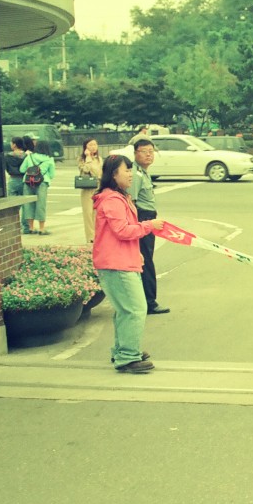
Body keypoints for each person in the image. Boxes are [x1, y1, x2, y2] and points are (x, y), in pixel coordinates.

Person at [93, 154, 165, 373]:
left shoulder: (117, 197)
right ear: (114, 174)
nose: (131, 174)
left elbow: (120, 233)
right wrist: (149, 225)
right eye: (126, 170)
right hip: (116, 264)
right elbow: (122, 230)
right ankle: (127, 356)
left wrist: (137, 253)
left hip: (121, 261)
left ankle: (124, 350)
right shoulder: (113, 201)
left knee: (126, 310)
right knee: (135, 308)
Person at [128, 139, 169, 315]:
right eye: (144, 151)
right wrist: (140, 225)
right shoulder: (136, 175)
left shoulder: (143, 172)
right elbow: (131, 203)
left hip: (148, 217)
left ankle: (144, 300)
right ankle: (149, 302)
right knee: (145, 261)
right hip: (142, 217)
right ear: (136, 153)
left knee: (145, 259)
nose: (149, 155)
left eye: (151, 151)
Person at [20, 137, 55, 235]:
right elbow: (52, 175)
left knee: (28, 204)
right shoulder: (49, 159)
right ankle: (41, 228)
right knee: (41, 205)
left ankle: (31, 227)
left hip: (28, 182)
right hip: (42, 183)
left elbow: (22, 170)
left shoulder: (29, 157)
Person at [78, 138, 102, 243]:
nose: (93, 147)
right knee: (88, 213)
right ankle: (90, 237)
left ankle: (98, 235)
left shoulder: (99, 159)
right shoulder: (81, 159)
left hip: (98, 188)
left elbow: (100, 173)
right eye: (90, 145)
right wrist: (88, 157)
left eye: (95, 144)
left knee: (97, 214)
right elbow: (87, 170)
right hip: (87, 188)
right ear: (85, 147)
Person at [5, 136, 28, 234]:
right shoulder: (26, 156)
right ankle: (26, 227)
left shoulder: (7, 156)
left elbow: (6, 167)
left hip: (13, 179)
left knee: (12, 204)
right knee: (25, 205)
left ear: (14, 144)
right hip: (24, 180)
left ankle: (14, 226)